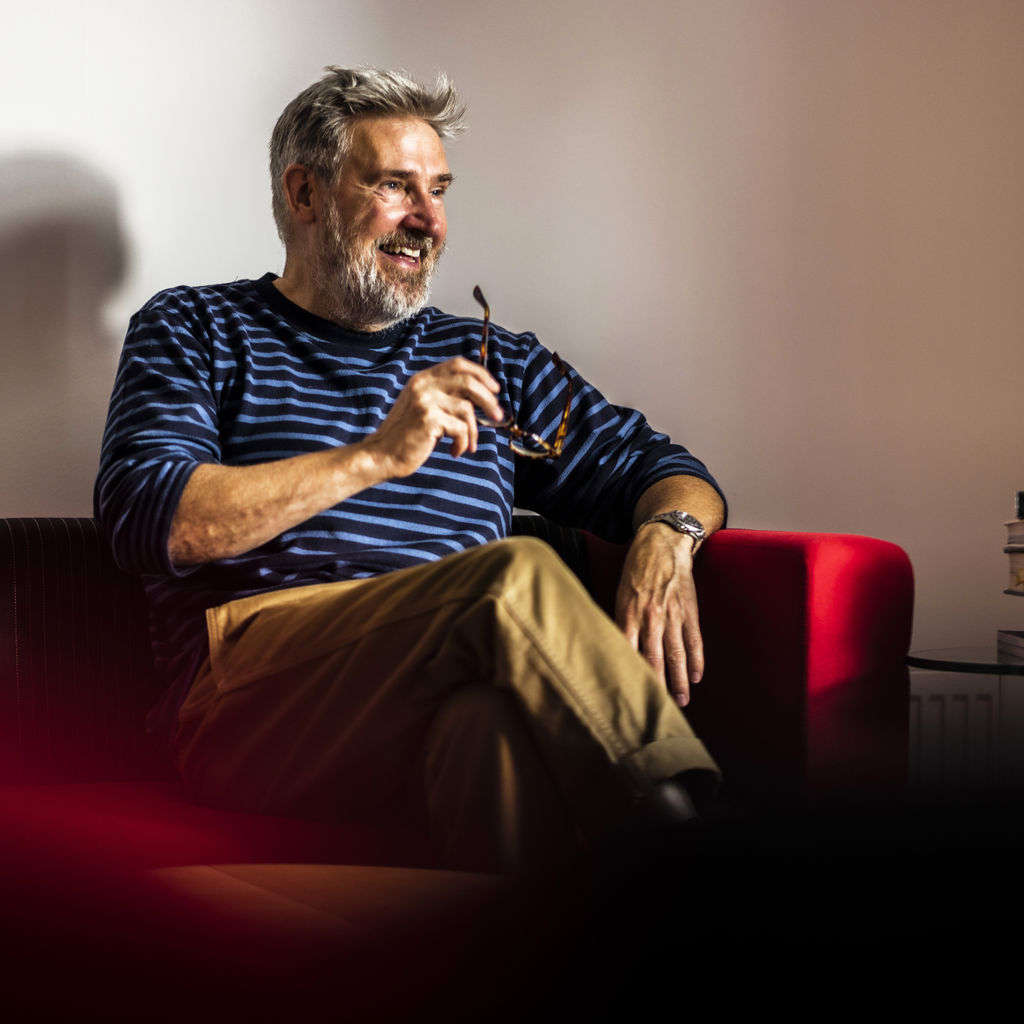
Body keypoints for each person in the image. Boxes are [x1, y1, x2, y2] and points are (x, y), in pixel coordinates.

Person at [95, 66, 727, 875]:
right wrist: (373, 458)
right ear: (304, 193)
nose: (429, 220)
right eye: (395, 186)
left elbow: (662, 468)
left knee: (487, 729)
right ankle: (691, 856)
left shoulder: (493, 362)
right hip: (250, 700)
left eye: (439, 190)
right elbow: (150, 517)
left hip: (434, 689)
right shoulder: (198, 327)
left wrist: (669, 537)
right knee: (510, 578)